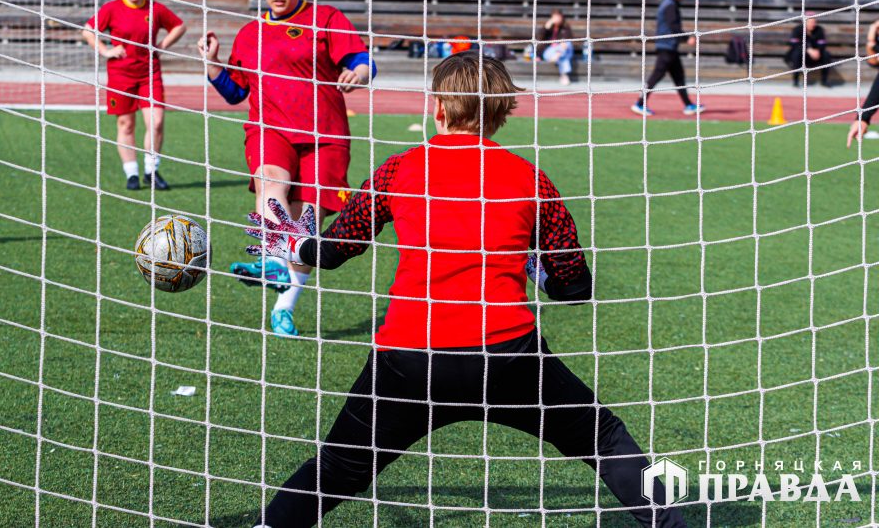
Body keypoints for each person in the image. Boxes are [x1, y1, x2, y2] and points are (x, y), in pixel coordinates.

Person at [244, 52, 687, 528]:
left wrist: (293, 243)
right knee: (604, 438)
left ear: (437, 107)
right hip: (508, 357)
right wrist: (536, 270)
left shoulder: (399, 170)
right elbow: (575, 287)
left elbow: (334, 251)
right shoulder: (532, 180)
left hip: (410, 360)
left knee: (335, 469)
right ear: (501, 112)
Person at [199, 0, 376, 337]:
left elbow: (362, 59)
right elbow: (235, 92)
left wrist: (360, 72)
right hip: (270, 128)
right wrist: (212, 64)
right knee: (271, 181)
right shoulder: (249, 34)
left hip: (325, 135)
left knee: (305, 224)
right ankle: (272, 258)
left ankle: (285, 307)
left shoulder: (326, 18)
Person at [83, 0, 186, 191]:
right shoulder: (112, 8)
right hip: (121, 75)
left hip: (150, 73)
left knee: (156, 122)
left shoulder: (155, 8)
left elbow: (179, 26)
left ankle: (151, 170)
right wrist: (105, 50)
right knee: (126, 124)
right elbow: (88, 30)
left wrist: (162, 45)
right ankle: (131, 173)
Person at [632, 0, 702, 117]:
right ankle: (639, 104)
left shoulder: (671, 4)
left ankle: (688, 105)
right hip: (666, 47)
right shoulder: (670, 5)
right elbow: (673, 27)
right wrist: (687, 38)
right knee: (656, 76)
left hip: (670, 47)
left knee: (678, 77)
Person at [785, 12, 833, 88]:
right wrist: (808, 50)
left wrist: (818, 51)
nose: (813, 24)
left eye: (814, 22)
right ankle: (795, 80)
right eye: (810, 22)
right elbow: (794, 44)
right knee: (797, 54)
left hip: (815, 57)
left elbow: (822, 43)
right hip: (800, 56)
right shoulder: (798, 29)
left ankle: (824, 81)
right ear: (805, 22)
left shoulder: (819, 30)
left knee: (826, 54)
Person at [538, 9, 575, 85]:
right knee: (563, 56)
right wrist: (546, 27)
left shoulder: (565, 28)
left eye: (558, 17)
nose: (557, 19)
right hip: (550, 52)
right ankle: (564, 76)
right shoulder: (548, 27)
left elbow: (568, 40)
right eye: (555, 17)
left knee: (567, 45)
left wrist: (560, 48)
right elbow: (539, 38)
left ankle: (558, 54)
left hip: (560, 52)